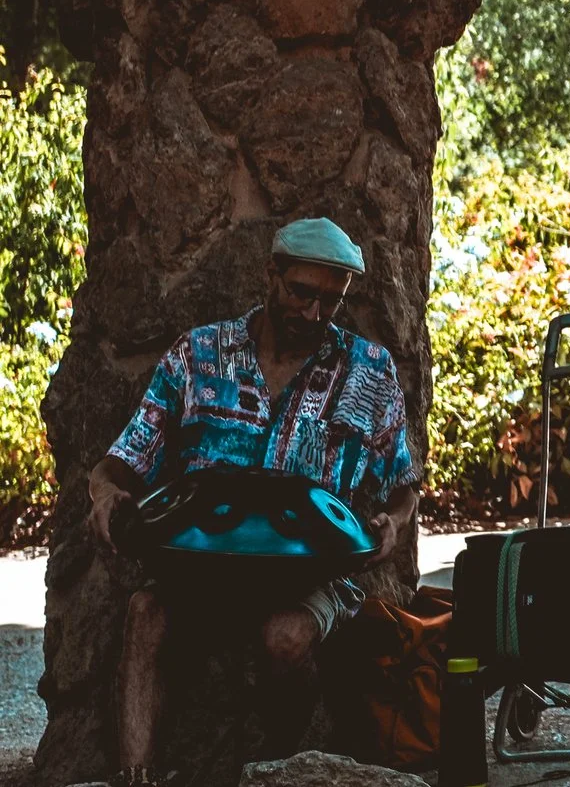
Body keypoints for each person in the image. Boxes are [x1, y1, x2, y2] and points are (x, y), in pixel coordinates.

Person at [87, 218, 419, 785]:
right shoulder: (199, 355)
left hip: (309, 572)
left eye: (330, 302)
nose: (314, 313)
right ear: (271, 274)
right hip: (201, 565)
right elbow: (119, 461)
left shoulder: (368, 371)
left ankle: (276, 769)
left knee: (284, 639)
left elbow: (404, 483)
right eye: (301, 293)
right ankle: (135, 776)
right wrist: (105, 493)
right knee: (145, 614)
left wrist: (394, 524)